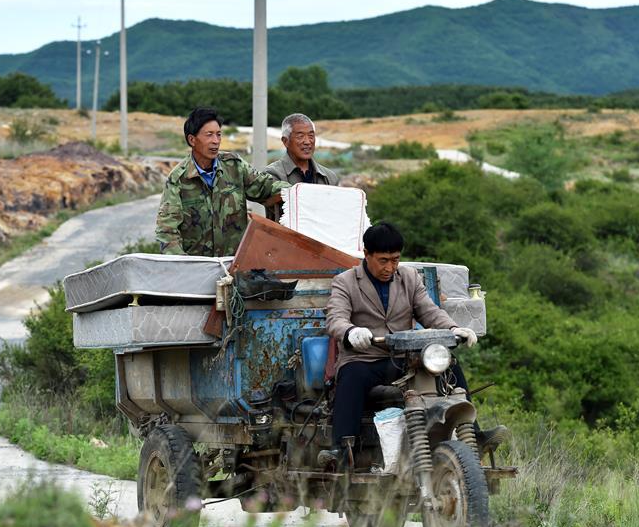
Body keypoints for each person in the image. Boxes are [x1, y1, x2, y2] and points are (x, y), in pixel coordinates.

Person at [322, 221, 506, 467]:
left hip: (403, 360)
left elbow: (429, 311)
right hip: (365, 359)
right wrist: (351, 331)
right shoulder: (345, 282)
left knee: (448, 364)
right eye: (383, 260)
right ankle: (342, 450)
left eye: (395, 260)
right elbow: (336, 318)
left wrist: (453, 328)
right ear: (366, 255)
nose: (390, 267)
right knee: (350, 376)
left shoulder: (409, 277)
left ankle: (475, 434)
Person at [155, 107, 290, 256]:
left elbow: (266, 187)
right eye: (209, 135)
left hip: (234, 266)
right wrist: (184, 267)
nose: (216, 141)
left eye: (218, 135)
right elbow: (167, 231)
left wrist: (297, 191)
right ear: (192, 140)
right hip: (198, 269)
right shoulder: (178, 179)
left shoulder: (234, 166)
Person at [265, 113, 339, 186]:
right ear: (285, 141)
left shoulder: (329, 178)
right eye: (300, 136)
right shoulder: (272, 175)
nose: (307, 142)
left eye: (311, 136)